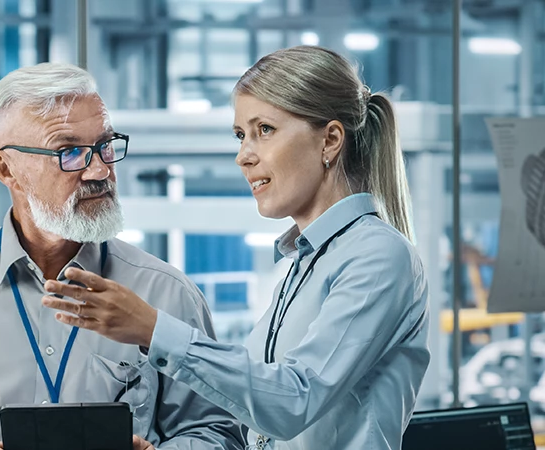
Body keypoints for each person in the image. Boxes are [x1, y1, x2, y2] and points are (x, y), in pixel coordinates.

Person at [0, 63, 246, 450]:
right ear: (6, 169)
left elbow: (217, 431)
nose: (100, 171)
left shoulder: (166, 294)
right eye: (68, 152)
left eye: (105, 146)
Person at [42, 46, 431, 450]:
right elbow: (263, 418)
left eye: (265, 130)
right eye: (240, 135)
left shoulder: (377, 255)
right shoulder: (302, 265)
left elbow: (294, 401)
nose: (244, 156)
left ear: (330, 140)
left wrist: (151, 328)